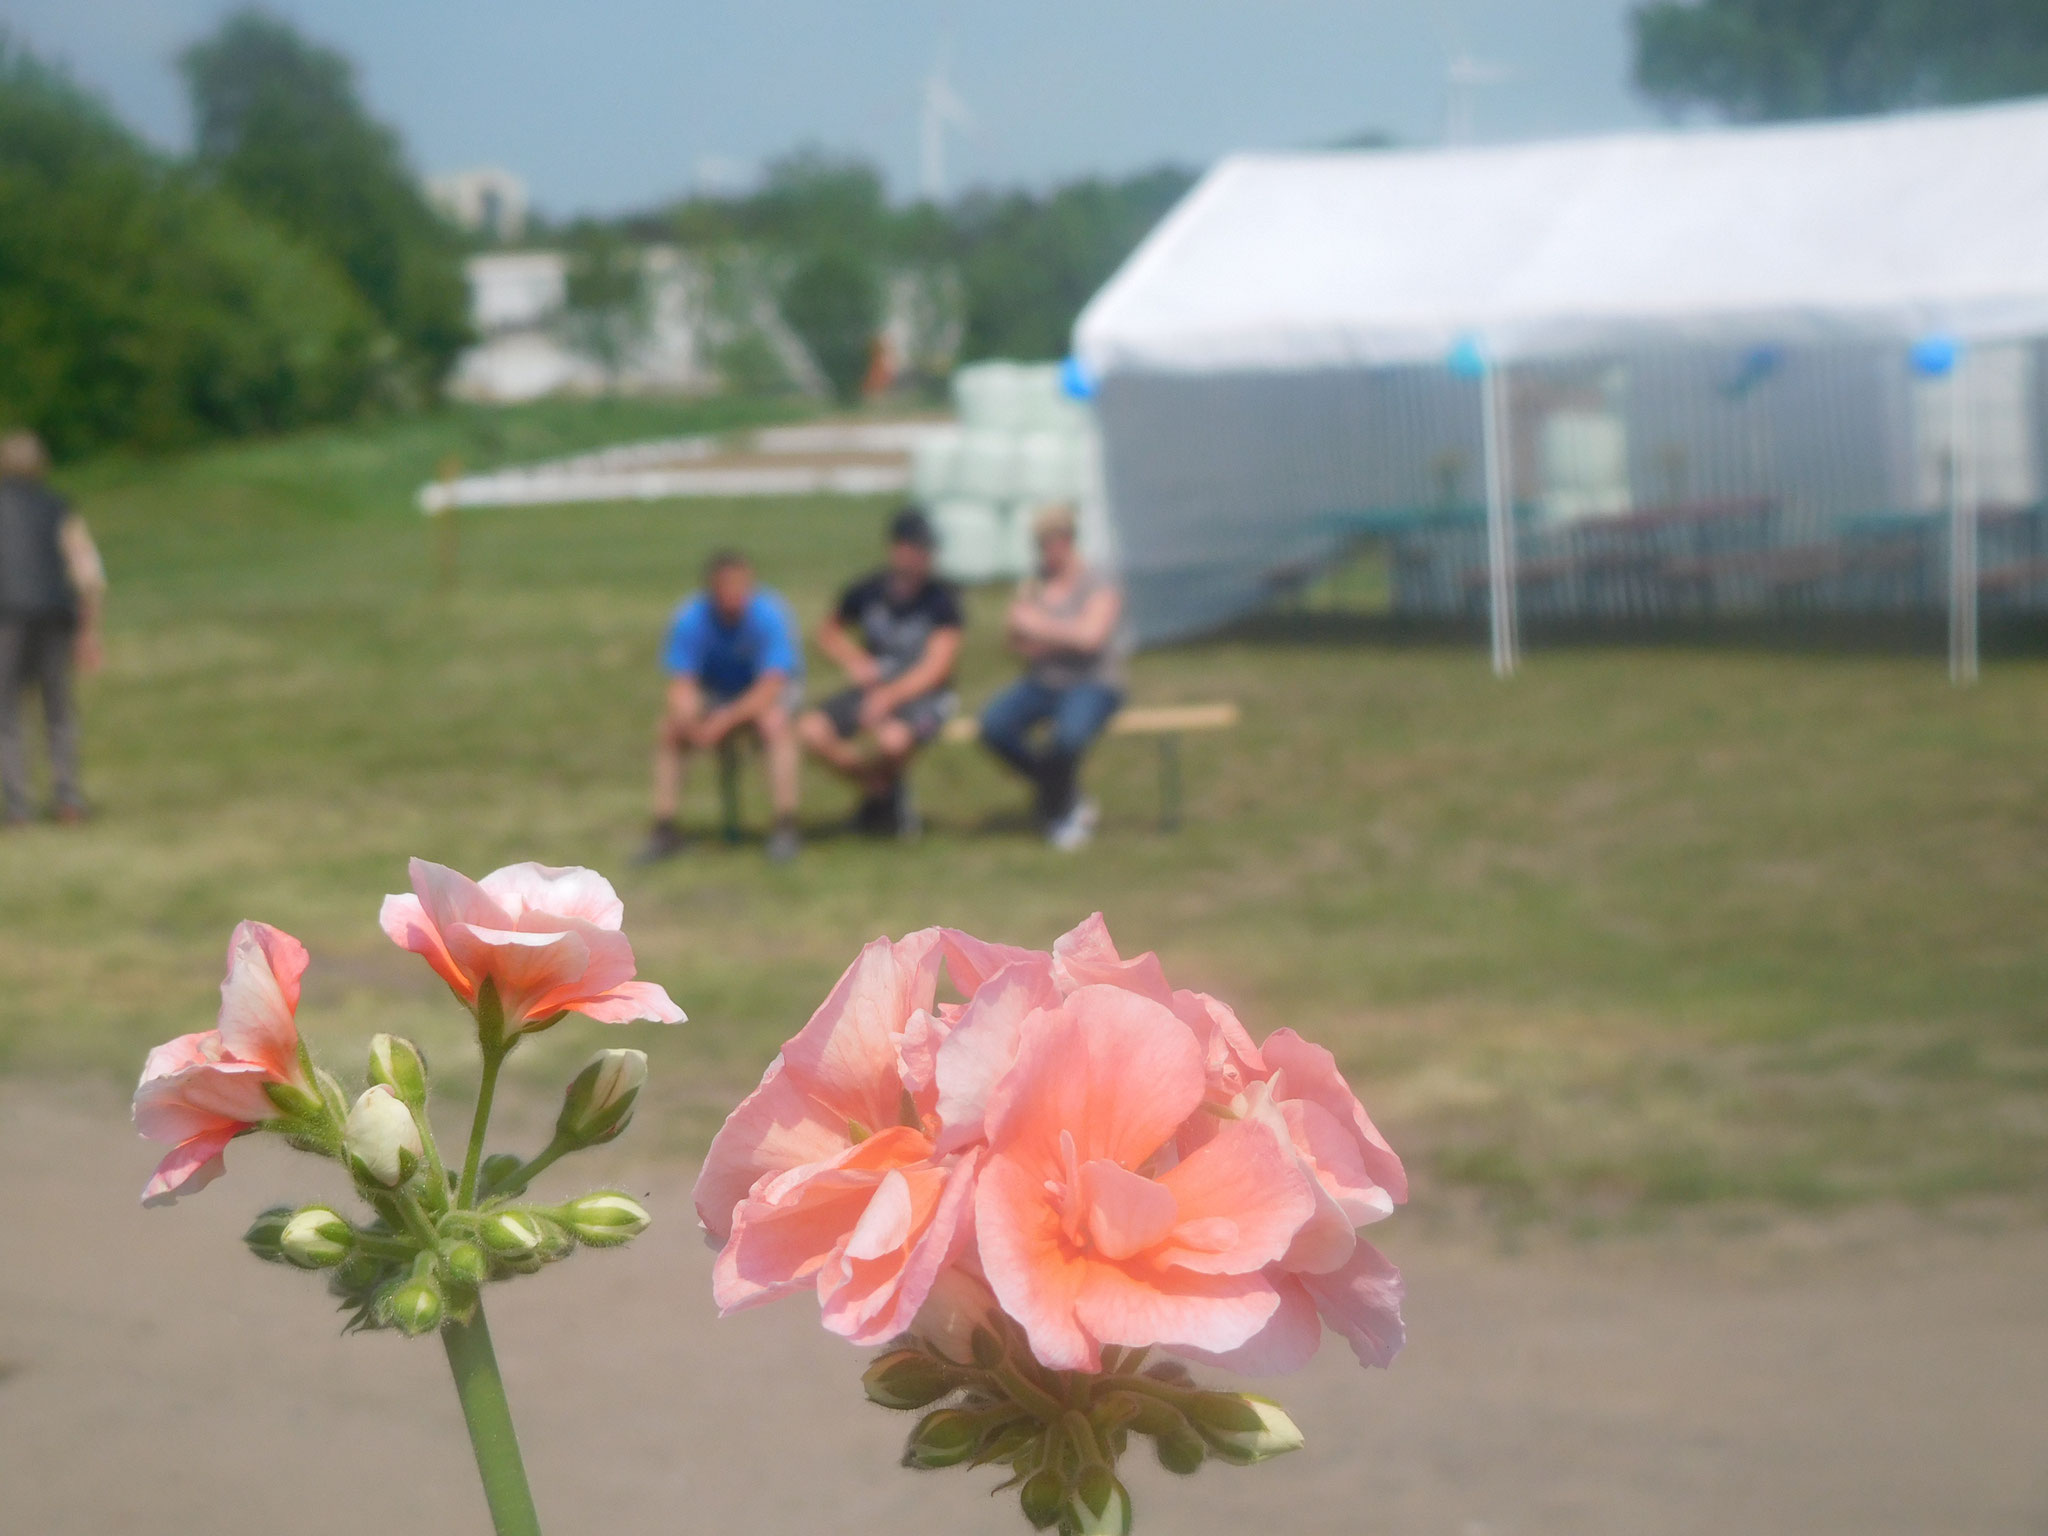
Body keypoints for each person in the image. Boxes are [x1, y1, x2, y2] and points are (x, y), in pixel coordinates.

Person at [797, 507, 963, 836]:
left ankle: (881, 804)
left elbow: (938, 666)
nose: (925, 557)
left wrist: (889, 697)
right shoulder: (868, 591)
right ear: (898, 550)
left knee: (893, 740)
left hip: (921, 694)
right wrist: (855, 661)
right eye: (919, 548)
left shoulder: (942, 599)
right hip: (874, 688)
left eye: (929, 549)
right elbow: (827, 632)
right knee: (810, 731)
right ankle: (880, 790)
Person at [639, 549, 803, 864]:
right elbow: (681, 682)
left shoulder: (770, 614)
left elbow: (772, 685)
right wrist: (688, 719)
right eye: (726, 587)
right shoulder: (691, 617)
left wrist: (723, 721)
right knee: (670, 730)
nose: (734, 595)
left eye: (741, 586)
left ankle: (785, 823)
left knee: (775, 724)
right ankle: (664, 826)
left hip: (763, 694)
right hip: (717, 693)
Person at [979, 504, 1127, 850]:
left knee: (1066, 739)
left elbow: (1091, 637)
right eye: (1039, 543)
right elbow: (1016, 639)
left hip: (1091, 682)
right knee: (994, 725)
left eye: (1051, 541)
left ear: (1067, 540)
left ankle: (1060, 812)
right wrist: (1039, 638)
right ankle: (1061, 791)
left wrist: (1041, 628)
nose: (1045, 551)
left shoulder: (1097, 581)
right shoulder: (1034, 584)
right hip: (1043, 682)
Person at [0, 430, 105, 827]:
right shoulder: (59, 508)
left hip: (5, 617)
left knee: (6, 713)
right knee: (58, 709)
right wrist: (90, 630)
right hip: (56, 616)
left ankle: (18, 807)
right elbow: (88, 573)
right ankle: (68, 799)